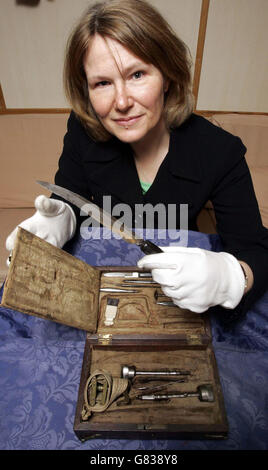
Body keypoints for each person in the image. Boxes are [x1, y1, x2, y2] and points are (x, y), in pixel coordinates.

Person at [6, 0, 268, 321]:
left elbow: (255, 250)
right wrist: (62, 218)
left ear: (168, 76)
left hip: (181, 288)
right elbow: (69, 197)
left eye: (137, 74)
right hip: (104, 286)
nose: (121, 102)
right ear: (86, 90)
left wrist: (231, 277)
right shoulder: (82, 129)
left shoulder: (220, 151)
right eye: (102, 83)